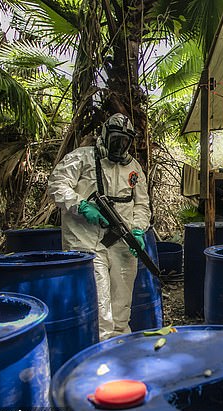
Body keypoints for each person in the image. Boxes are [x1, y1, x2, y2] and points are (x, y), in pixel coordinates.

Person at [47, 113, 151, 340]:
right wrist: (81, 206)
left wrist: (138, 229)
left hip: (122, 241)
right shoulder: (81, 158)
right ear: (105, 136)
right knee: (100, 305)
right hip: (87, 240)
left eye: (124, 141)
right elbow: (57, 185)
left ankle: (121, 344)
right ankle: (102, 350)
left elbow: (142, 204)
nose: (120, 146)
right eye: (116, 140)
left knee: (122, 302)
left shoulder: (133, 168)